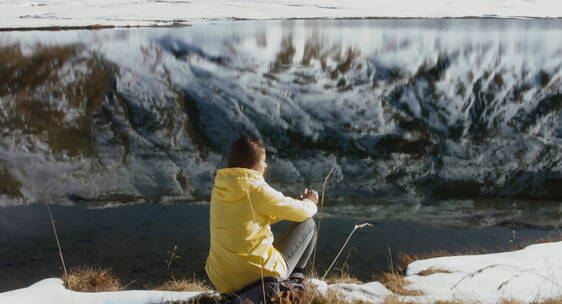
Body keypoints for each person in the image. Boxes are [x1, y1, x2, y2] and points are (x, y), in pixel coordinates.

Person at [205, 136, 318, 294]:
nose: (265, 166)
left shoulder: (221, 188)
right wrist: (309, 202)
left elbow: (258, 213)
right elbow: (303, 213)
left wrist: (296, 202)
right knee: (308, 223)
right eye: (263, 161)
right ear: (252, 163)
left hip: (223, 278)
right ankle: (292, 281)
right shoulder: (256, 189)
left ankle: (289, 281)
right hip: (257, 276)